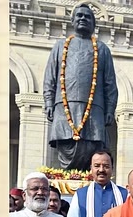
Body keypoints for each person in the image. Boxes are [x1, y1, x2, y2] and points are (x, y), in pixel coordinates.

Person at [43, 4, 118, 171]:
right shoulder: (60, 46)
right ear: (72, 21)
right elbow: (51, 77)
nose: (83, 19)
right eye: (80, 16)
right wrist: (48, 102)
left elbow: (110, 84)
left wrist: (110, 110)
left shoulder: (102, 49)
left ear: (94, 24)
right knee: (65, 143)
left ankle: (86, 179)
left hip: (94, 109)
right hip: (64, 107)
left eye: (88, 17)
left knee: (92, 147)